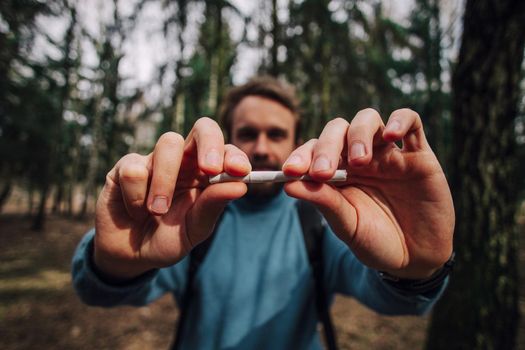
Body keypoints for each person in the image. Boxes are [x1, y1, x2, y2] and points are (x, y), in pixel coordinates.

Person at [72, 76, 455, 349]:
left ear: (296, 140)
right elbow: (101, 294)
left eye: (275, 134)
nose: (260, 148)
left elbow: (389, 298)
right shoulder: (191, 218)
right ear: (229, 138)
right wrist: (115, 264)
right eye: (247, 133)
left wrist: (416, 269)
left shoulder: (322, 220)